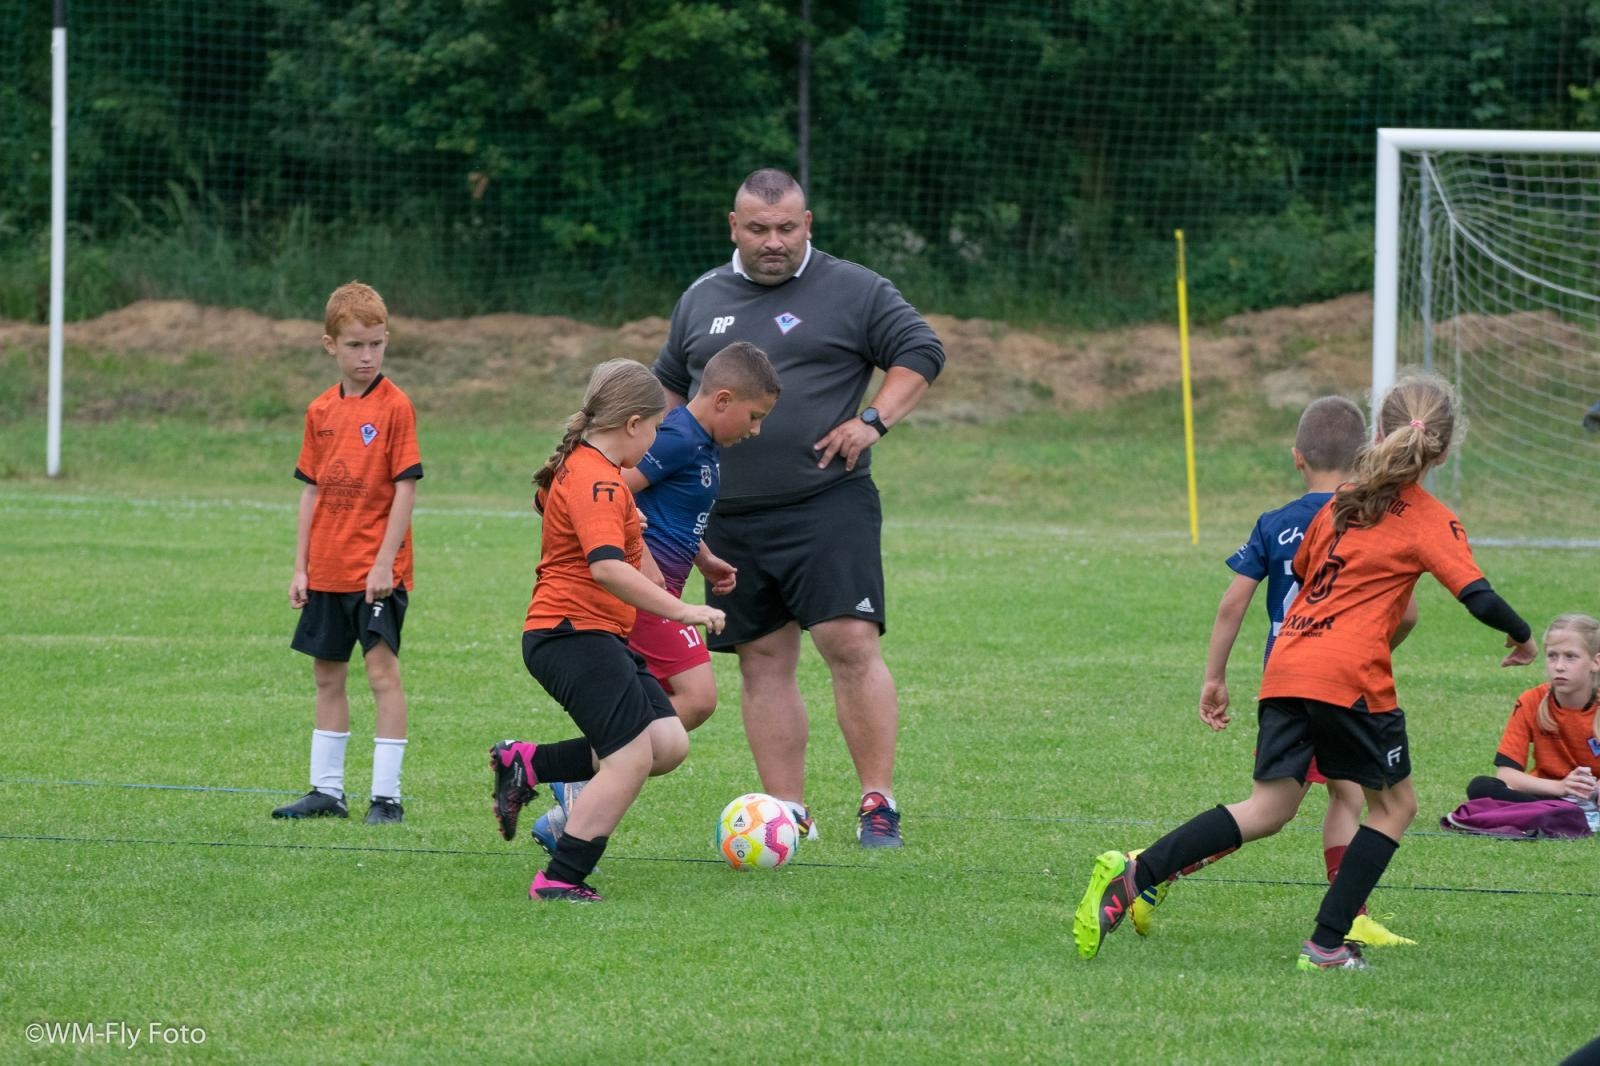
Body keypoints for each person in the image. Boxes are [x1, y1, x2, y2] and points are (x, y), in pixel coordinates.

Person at [1074, 371, 1539, 970]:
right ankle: (1325, 945)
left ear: (1378, 433)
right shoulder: (1428, 518)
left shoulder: (1343, 505)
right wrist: (1523, 636)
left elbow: (1304, 569)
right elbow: (1476, 595)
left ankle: (1136, 874)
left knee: (1268, 808)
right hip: (1347, 677)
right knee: (1394, 807)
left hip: (1286, 665)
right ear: (1443, 452)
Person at [652, 168, 945, 848]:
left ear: (808, 225)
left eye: (787, 228)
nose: (774, 241)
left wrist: (872, 419)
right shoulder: (701, 299)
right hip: (727, 515)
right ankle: (787, 813)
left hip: (827, 500)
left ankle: (879, 803)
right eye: (758, 229)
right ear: (734, 227)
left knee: (848, 641)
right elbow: (669, 389)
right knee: (761, 658)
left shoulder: (854, 288)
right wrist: (667, 470)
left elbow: (921, 350)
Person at [1131, 397, 1418, 949]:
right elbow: (1404, 614)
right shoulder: (1365, 521)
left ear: (1296, 458)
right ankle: (1149, 869)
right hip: (1337, 682)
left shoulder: (1275, 523)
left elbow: (1231, 604)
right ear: (1363, 458)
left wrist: (1214, 677)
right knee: (1290, 806)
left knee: (1344, 793)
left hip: (1283, 678)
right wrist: (1370, 653)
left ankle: (1350, 913)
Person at [529, 341, 782, 854]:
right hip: (641, 591)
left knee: (684, 712)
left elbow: (669, 506)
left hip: (656, 588)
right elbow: (612, 483)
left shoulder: (698, 443)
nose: (755, 430)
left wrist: (704, 558)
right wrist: (628, 532)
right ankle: (579, 786)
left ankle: (569, 775)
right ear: (723, 400)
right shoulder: (675, 438)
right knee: (693, 700)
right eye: (754, 417)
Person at [489, 358, 726, 902]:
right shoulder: (596, 478)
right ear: (635, 424)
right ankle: (560, 877)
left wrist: (638, 532)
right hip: (570, 634)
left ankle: (526, 762)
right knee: (631, 757)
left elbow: (632, 560)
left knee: (666, 742)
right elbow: (605, 568)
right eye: (658, 429)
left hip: (593, 634)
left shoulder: (595, 475)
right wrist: (684, 610)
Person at [273, 281, 422, 825]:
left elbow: (406, 487)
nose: (367, 356)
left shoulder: (395, 406)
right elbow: (311, 489)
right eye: (356, 345)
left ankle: (386, 797)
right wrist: (301, 566)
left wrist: (385, 561)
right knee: (327, 677)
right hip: (328, 571)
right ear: (330, 345)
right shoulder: (319, 411)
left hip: (376, 575)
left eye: (377, 344)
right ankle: (326, 791)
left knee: (383, 677)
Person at [1463, 613, 1599, 818]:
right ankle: (1563, 814)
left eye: (1570, 656)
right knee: (1480, 786)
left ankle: (1557, 815)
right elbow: (1506, 774)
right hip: (1547, 794)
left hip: (1594, 797)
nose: (1559, 666)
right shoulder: (1531, 700)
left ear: (1595, 662)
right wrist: (1561, 787)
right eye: (1552, 656)